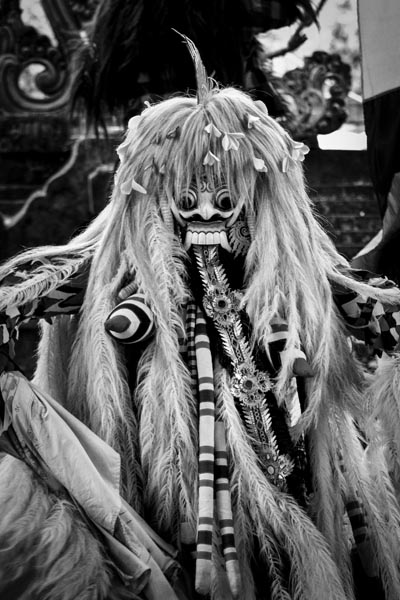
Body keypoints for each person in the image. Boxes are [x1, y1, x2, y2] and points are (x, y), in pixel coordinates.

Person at [1, 39, 400, 600]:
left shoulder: (284, 263)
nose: (207, 210)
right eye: (189, 198)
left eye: (224, 198)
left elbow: (348, 294)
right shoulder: (130, 260)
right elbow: (62, 281)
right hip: (170, 435)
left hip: (277, 425)